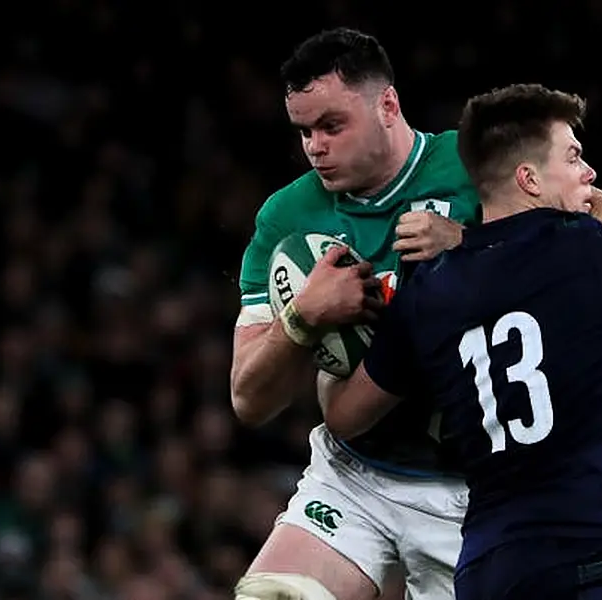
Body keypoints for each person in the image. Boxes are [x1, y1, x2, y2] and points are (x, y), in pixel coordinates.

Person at [320, 83, 602, 599]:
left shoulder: (429, 290)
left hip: (486, 569)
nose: (589, 172)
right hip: (586, 557)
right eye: (575, 157)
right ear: (529, 178)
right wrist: (601, 206)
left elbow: (345, 415)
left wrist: (314, 329)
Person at [230, 28, 482, 600]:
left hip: (474, 490)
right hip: (355, 475)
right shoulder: (286, 218)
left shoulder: (474, 164)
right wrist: (302, 318)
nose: (315, 146)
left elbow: (588, 237)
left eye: (331, 126)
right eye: (304, 131)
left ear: (387, 104)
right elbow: (248, 399)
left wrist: (470, 245)